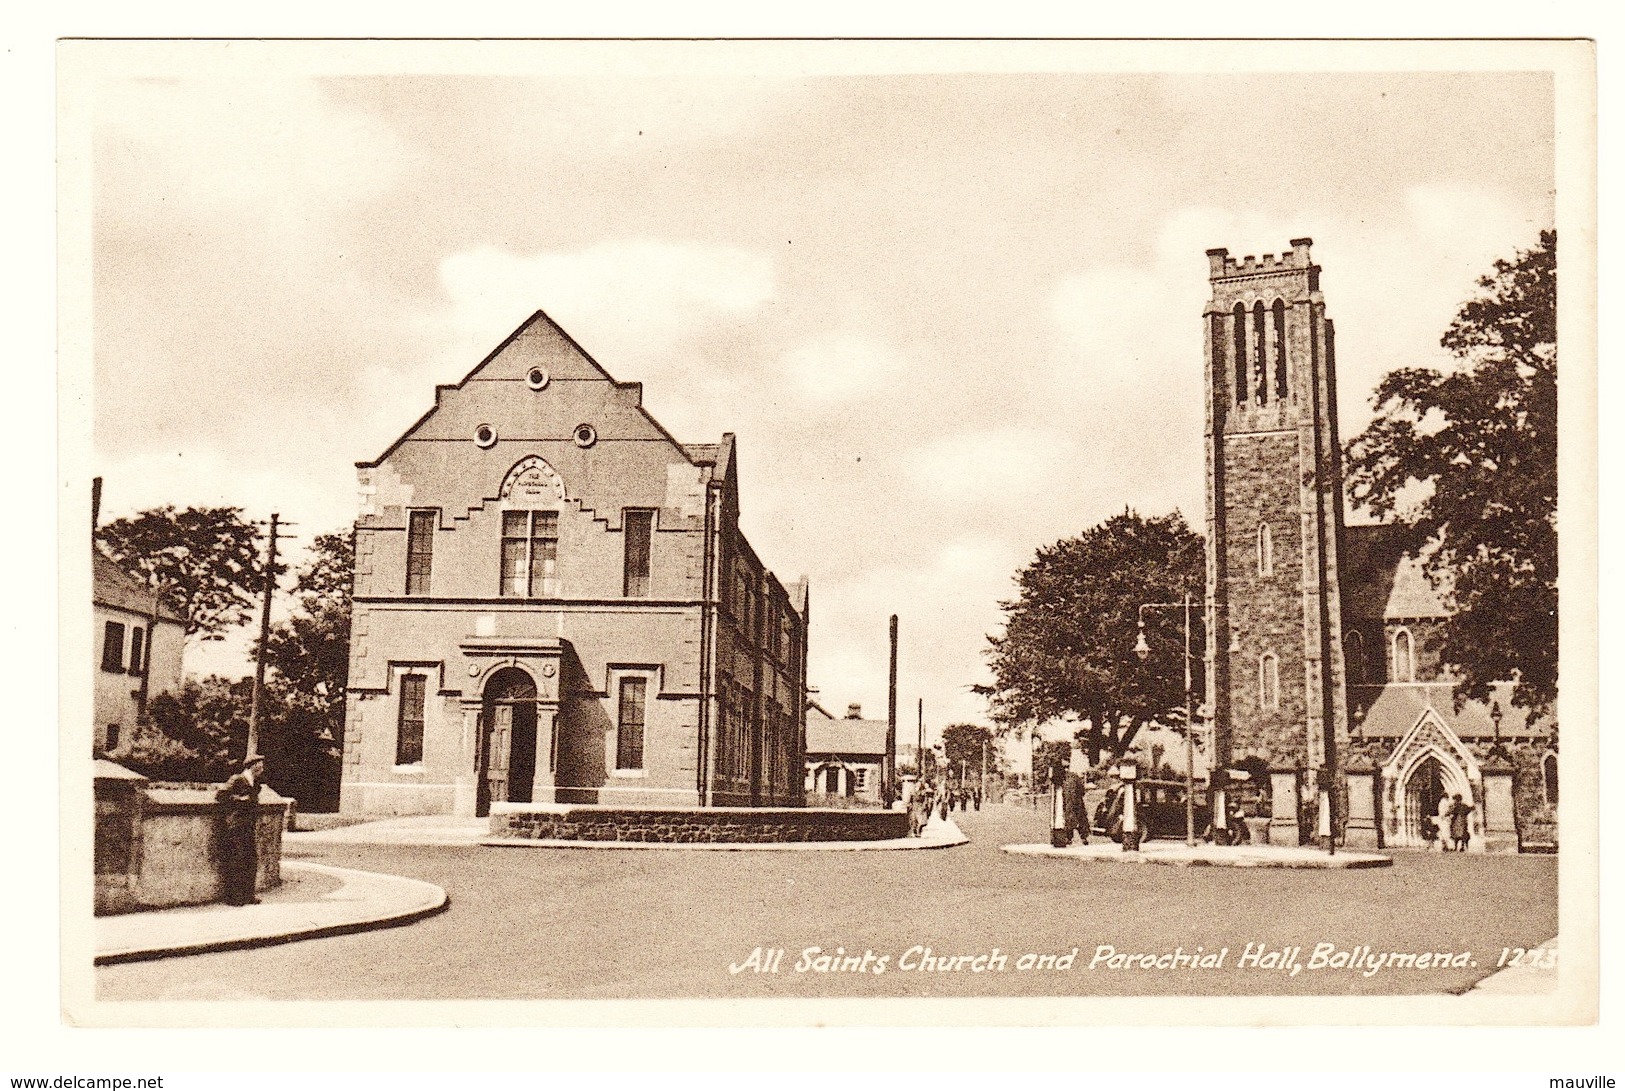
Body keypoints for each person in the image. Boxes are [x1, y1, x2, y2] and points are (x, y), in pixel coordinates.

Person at [217, 753, 265, 906]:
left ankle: (248, 895)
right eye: (260, 766)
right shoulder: (237, 779)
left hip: (248, 827)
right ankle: (233, 898)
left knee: (250, 860)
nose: (262, 769)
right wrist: (239, 799)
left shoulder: (255, 784)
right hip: (235, 826)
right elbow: (220, 795)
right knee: (236, 860)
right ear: (252, 766)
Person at [1062, 771, 1090, 845]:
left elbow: (1081, 790)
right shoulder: (1074, 776)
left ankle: (1069, 838)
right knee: (1080, 819)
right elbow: (1082, 790)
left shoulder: (1062, 777)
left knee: (1070, 819)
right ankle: (1083, 837)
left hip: (1070, 802)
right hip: (1076, 801)